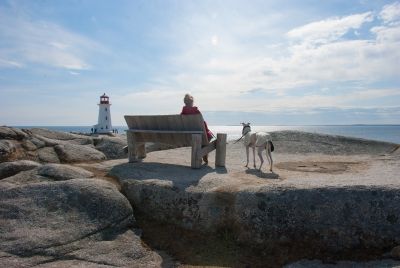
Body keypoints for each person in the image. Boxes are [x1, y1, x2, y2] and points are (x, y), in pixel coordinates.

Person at [180, 93, 213, 164]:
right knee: (208, 137)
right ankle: (203, 153)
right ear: (192, 102)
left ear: (185, 102)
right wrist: (207, 130)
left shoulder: (182, 113)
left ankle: (202, 153)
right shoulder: (196, 111)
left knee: (202, 138)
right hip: (199, 134)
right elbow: (203, 123)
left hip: (188, 136)